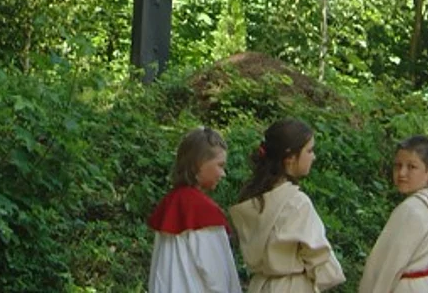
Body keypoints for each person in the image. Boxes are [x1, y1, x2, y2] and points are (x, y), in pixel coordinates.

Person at [229, 117, 345, 292]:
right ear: (290, 157)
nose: (313, 156)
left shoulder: (253, 199)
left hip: (259, 286)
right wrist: (329, 276)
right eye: (309, 150)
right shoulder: (296, 203)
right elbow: (317, 255)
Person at [358, 134, 428, 293]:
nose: (402, 173)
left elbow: (388, 265)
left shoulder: (412, 209)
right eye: (398, 166)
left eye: (411, 167)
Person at [147, 126, 241, 293]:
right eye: (220, 165)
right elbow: (217, 276)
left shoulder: (170, 202)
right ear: (199, 164)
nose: (223, 174)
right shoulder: (203, 210)